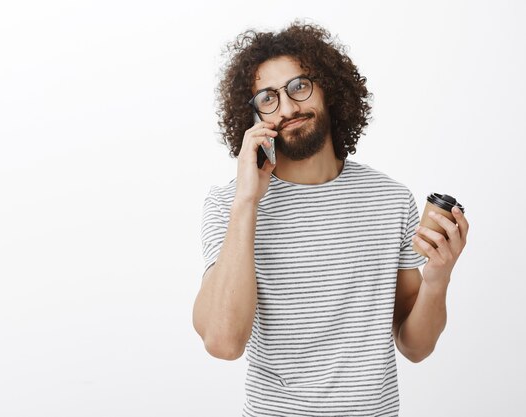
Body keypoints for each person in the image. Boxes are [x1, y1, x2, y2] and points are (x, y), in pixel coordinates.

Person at [192, 21, 469, 417]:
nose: (287, 108)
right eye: (268, 98)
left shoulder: (390, 200)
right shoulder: (230, 205)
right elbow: (222, 342)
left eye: (299, 87)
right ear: (252, 116)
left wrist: (439, 275)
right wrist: (247, 201)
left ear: (328, 90)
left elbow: (415, 346)